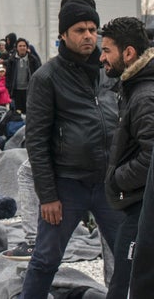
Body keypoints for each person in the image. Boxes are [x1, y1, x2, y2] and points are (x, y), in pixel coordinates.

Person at [20, 0, 123, 298]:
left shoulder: (108, 73)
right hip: (67, 187)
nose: (89, 36)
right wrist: (48, 195)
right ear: (64, 34)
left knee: (128, 255)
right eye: (80, 30)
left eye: (93, 29)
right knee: (46, 258)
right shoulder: (46, 78)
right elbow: (36, 141)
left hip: (107, 184)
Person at [98, 17, 154, 298]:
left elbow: (151, 156)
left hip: (142, 206)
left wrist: (118, 178)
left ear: (128, 53)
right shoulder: (134, 86)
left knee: (124, 282)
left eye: (107, 50)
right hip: (138, 203)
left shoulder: (144, 95)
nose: (101, 57)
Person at [6, 38, 41, 114]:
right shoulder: (11, 60)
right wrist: (8, 89)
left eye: (24, 46)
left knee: (29, 112)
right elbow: (8, 76)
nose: (22, 47)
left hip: (29, 91)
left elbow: (38, 75)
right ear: (16, 48)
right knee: (16, 113)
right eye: (20, 46)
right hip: (16, 91)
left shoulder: (33, 60)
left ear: (27, 47)